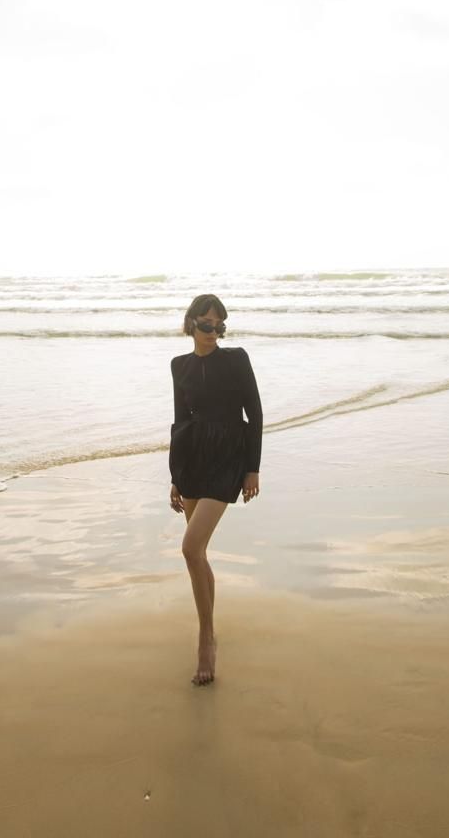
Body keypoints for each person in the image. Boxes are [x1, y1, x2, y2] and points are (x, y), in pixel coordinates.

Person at [168, 294, 263, 686]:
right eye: (206, 324)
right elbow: (179, 421)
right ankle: (208, 626)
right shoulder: (179, 366)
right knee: (198, 554)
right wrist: (174, 475)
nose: (213, 332)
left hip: (227, 456)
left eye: (219, 325)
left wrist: (252, 468)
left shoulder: (236, 359)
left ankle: (206, 639)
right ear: (191, 323)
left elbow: (254, 412)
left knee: (190, 548)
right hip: (191, 458)